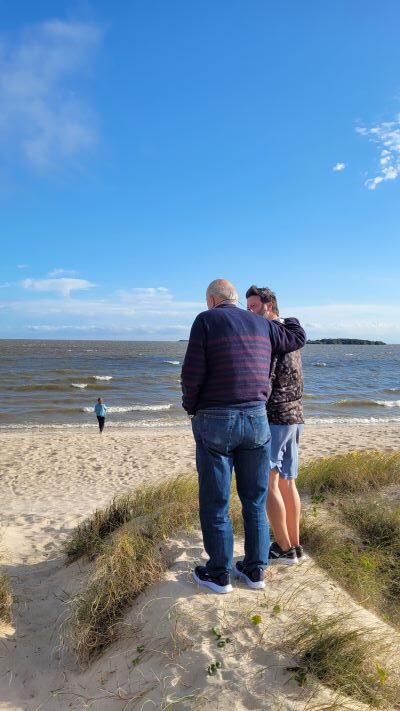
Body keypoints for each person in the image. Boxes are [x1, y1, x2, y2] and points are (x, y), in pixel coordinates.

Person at [181, 279, 306, 594]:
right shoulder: (260, 323)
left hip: (216, 418)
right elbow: (297, 336)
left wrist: (191, 407)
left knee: (216, 500)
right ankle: (255, 571)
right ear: (236, 300)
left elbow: (192, 372)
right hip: (256, 418)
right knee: (255, 499)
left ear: (212, 299)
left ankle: (220, 574)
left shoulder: (206, 319)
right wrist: (275, 313)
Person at [246, 285, 305, 565]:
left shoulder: (270, 336)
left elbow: (264, 379)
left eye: (254, 307)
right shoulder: (290, 335)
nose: (250, 313)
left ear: (268, 306)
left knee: (269, 483)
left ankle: (282, 548)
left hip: (276, 417)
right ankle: (294, 546)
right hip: (295, 416)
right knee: (287, 482)